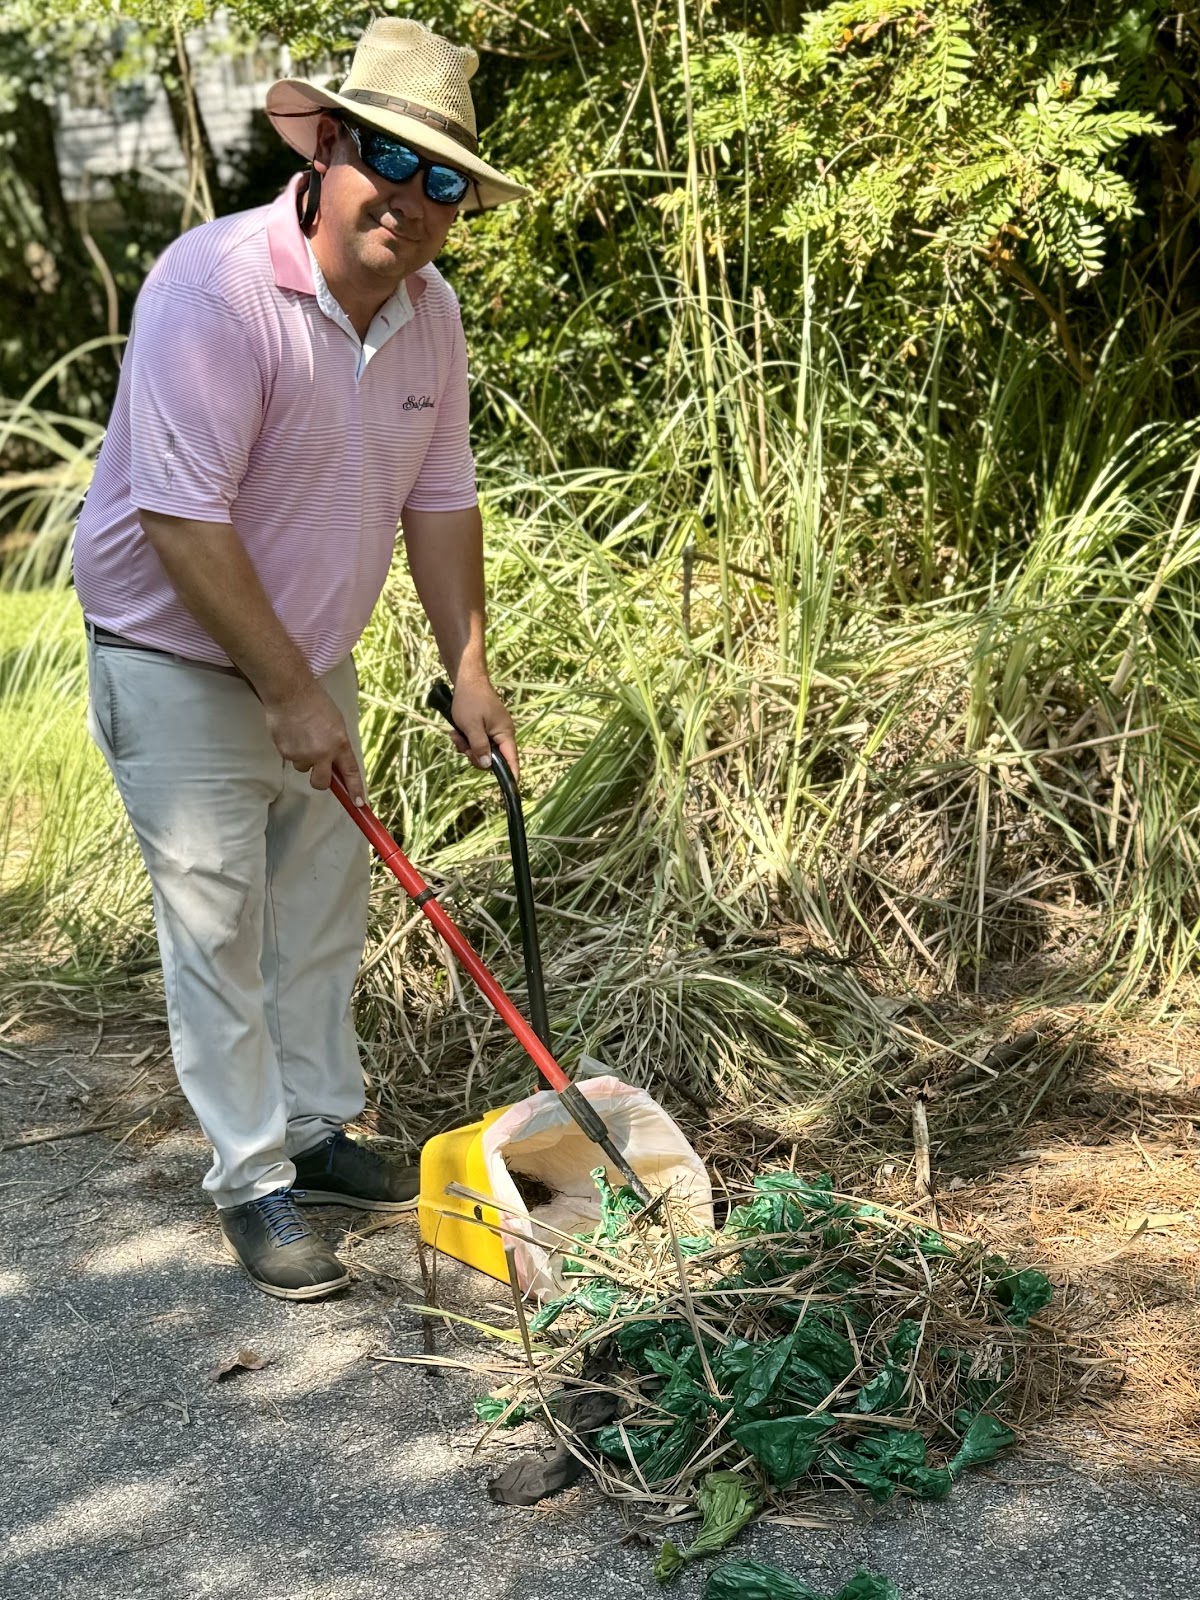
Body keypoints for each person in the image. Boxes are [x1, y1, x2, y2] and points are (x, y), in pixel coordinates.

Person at [72, 19, 529, 1300]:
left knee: (324, 908)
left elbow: (441, 500)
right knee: (218, 919)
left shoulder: (428, 316)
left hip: (307, 654)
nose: (415, 198)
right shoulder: (215, 288)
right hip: (175, 652)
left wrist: (469, 667)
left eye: (446, 179)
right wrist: (283, 691)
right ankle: (254, 1177)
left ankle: (322, 1132)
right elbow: (178, 516)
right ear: (327, 146)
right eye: (390, 155)